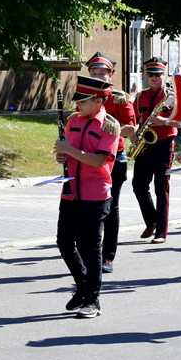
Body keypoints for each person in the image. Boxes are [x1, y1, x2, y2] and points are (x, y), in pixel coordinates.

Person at [53, 75, 121, 318]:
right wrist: (62, 155)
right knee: (63, 241)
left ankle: (93, 298)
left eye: (83, 101)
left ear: (98, 101)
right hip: (70, 192)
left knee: (89, 246)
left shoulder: (110, 126)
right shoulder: (73, 121)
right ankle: (82, 286)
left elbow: (98, 160)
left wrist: (69, 150)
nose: (77, 105)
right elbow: (68, 153)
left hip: (95, 194)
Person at [84, 52, 137, 273]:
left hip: (114, 158)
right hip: (87, 157)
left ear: (110, 74)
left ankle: (108, 256)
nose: (98, 76)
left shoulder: (119, 98)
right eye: (94, 73)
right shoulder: (84, 96)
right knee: (87, 207)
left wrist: (110, 127)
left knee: (110, 207)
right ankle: (89, 253)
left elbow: (131, 128)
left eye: (102, 73)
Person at [131, 57, 176, 244]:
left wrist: (165, 121)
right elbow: (133, 119)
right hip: (145, 143)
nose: (154, 78)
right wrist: (133, 133)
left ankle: (161, 232)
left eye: (158, 74)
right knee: (138, 185)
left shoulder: (173, 96)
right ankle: (151, 221)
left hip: (164, 144)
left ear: (164, 75)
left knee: (161, 187)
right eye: (151, 74)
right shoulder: (141, 96)